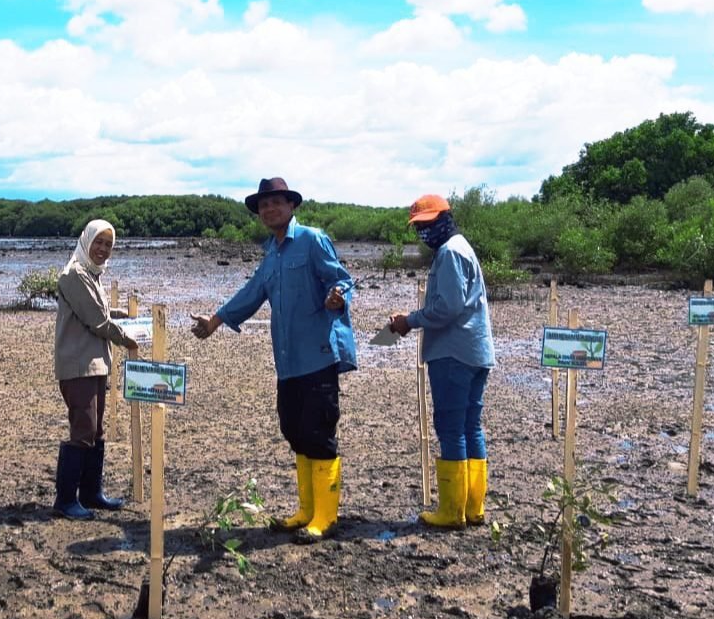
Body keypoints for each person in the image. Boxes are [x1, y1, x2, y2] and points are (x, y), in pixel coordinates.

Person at [191, 177, 357, 544]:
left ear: (291, 205)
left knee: (319, 433)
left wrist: (338, 296)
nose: (269, 210)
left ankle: (325, 517)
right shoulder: (271, 254)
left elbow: (343, 280)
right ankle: (305, 510)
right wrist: (216, 321)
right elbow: (251, 293)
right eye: (263, 205)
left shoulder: (312, 240)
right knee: (294, 431)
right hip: (287, 362)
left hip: (318, 356)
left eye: (276, 203)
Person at [387, 194, 496, 528]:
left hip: (453, 353)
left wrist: (410, 320)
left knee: (451, 428)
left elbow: (447, 307)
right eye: (420, 225)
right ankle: (473, 509)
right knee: (469, 426)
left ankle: (451, 512)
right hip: (476, 351)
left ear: (445, 218)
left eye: (430, 223)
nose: (425, 231)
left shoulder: (449, 253)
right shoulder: (462, 246)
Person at [53, 219, 139, 520]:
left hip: (95, 363)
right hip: (78, 365)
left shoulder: (91, 273)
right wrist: (131, 338)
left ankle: (90, 494)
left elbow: (100, 312)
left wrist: (127, 316)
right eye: (98, 242)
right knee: (83, 430)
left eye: (108, 245)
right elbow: (98, 322)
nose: (102, 249)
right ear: (86, 240)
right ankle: (65, 500)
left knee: (95, 430)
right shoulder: (75, 274)